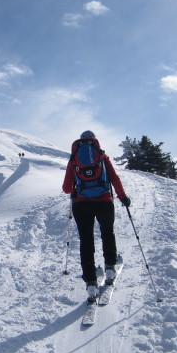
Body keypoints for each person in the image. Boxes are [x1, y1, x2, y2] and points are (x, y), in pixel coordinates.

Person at [62, 130, 131, 304]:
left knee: (86, 240)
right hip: (104, 202)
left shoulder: (74, 158)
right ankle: (109, 268)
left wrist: (77, 188)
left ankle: (91, 283)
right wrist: (123, 197)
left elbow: (66, 188)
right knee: (107, 232)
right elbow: (114, 178)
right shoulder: (101, 155)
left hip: (81, 205)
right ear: (93, 141)